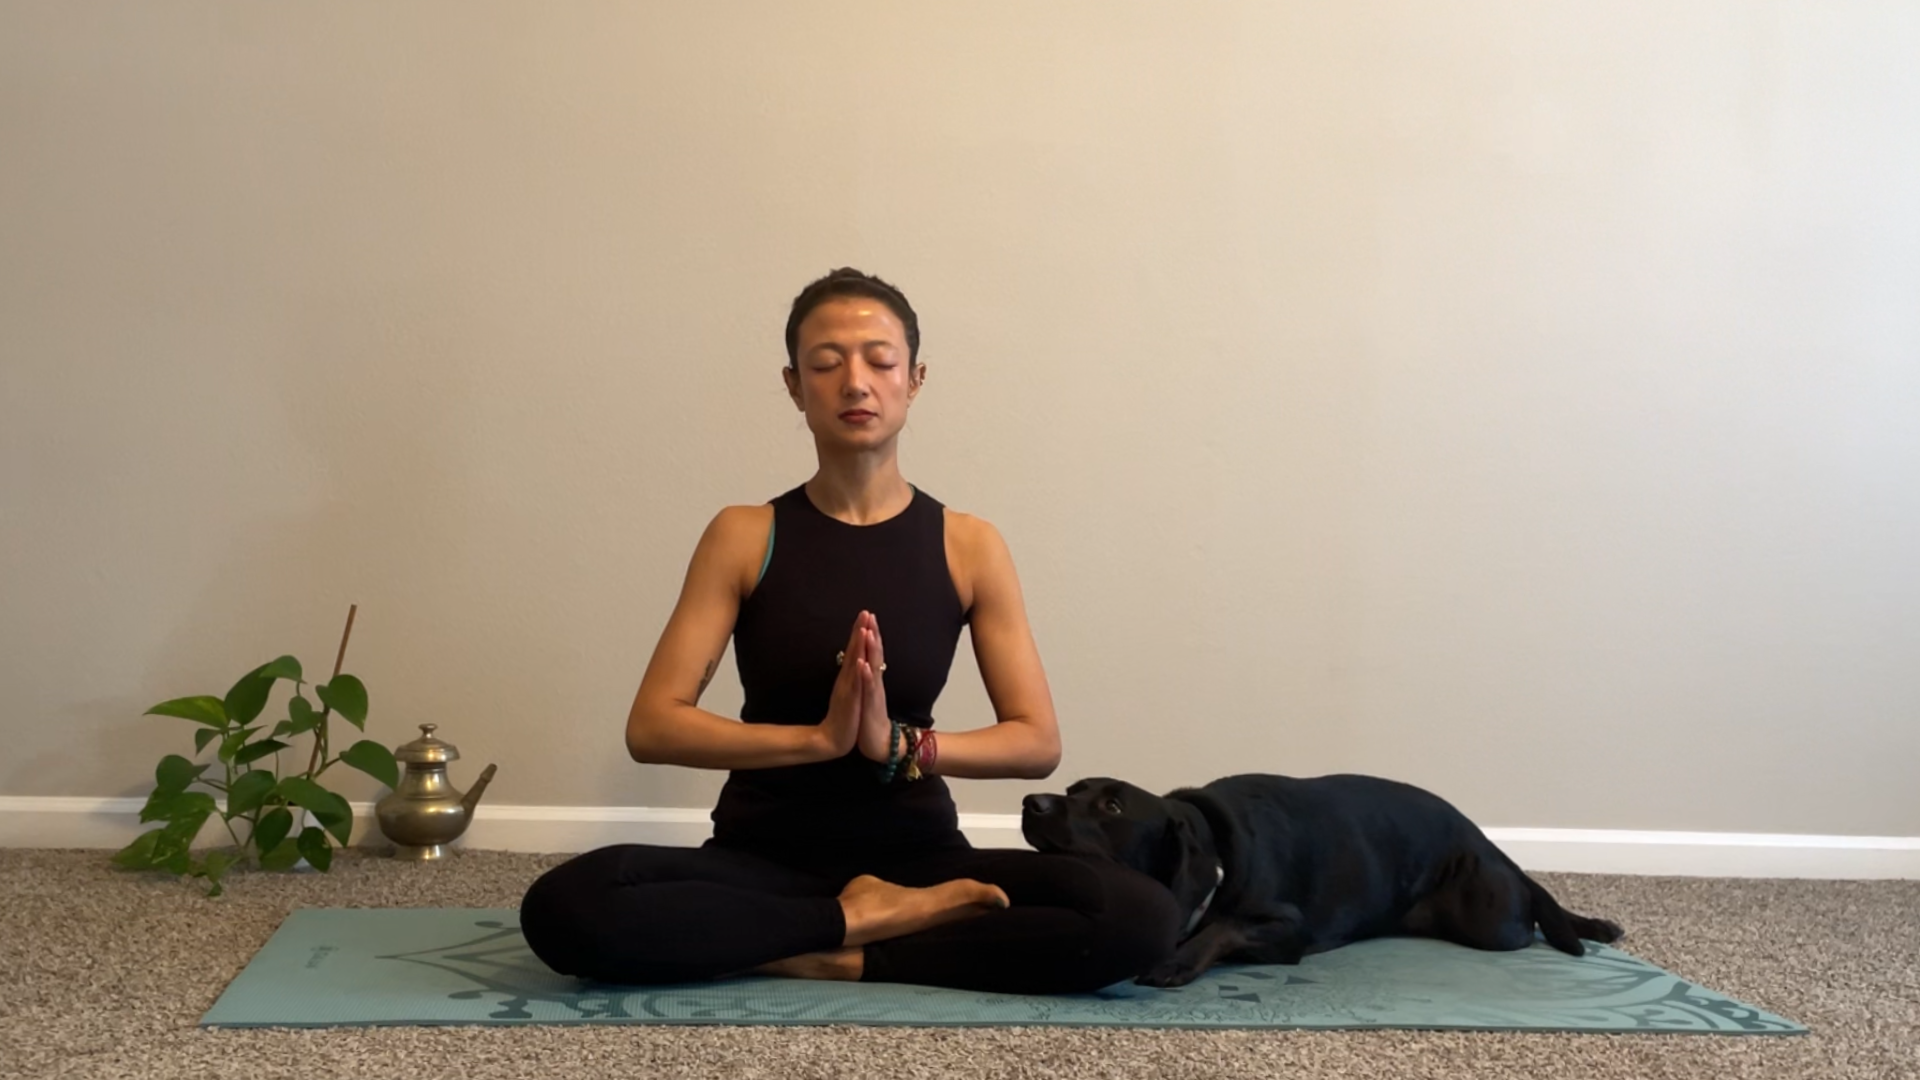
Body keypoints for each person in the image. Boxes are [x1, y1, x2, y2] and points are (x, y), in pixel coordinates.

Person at [519, 268, 1181, 994]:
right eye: (826, 364)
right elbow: (653, 727)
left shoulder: (969, 544)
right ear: (795, 386)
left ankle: (828, 946)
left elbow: (1035, 741)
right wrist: (818, 741)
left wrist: (895, 745)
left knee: (1137, 915)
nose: (855, 382)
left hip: (920, 860)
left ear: (915, 379)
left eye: (880, 360)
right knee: (564, 906)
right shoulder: (746, 535)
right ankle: (856, 925)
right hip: (761, 860)